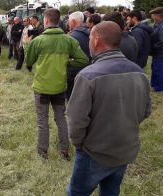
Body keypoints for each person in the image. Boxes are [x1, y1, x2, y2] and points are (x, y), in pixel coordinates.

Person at [66, 21, 151, 196]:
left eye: (90, 38)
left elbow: (76, 121)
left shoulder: (88, 75)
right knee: (111, 192)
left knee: (76, 193)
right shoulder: (140, 72)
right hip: (125, 148)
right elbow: (146, 110)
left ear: (96, 40)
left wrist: (80, 144)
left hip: (94, 152)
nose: (89, 42)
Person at [24, 8, 89, 160]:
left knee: (42, 121)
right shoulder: (69, 40)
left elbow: (28, 61)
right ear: (58, 21)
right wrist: (66, 61)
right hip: (60, 87)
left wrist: (27, 44)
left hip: (41, 88)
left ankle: (42, 152)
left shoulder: (38, 41)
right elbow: (83, 60)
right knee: (61, 119)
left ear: (46, 21)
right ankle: (65, 150)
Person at [66, 11, 90, 100]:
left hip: (74, 73)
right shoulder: (92, 33)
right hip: (90, 70)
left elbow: (67, 56)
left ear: (73, 21)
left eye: (69, 21)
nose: (68, 23)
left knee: (72, 98)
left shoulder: (70, 37)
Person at [149, 7, 163, 92]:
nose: (152, 17)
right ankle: (154, 84)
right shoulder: (158, 25)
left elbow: (162, 41)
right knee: (155, 68)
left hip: (160, 53)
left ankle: (160, 87)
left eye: (153, 15)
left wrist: (153, 47)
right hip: (157, 53)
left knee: (159, 69)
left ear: (159, 16)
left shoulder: (162, 26)